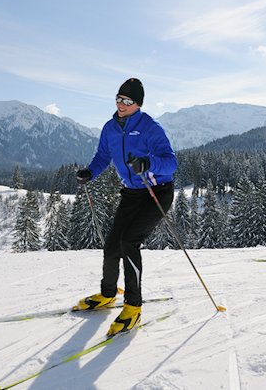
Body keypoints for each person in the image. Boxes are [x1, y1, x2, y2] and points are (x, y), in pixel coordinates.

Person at [73, 77, 178, 337]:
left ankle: (133, 306)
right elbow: (102, 156)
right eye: (119, 99)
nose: (121, 104)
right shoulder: (110, 128)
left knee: (129, 241)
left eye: (127, 101)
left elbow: (170, 162)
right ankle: (108, 294)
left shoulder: (149, 127)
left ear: (138, 104)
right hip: (132, 193)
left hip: (157, 192)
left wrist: (148, 163)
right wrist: (90, 172)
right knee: (112, 244)